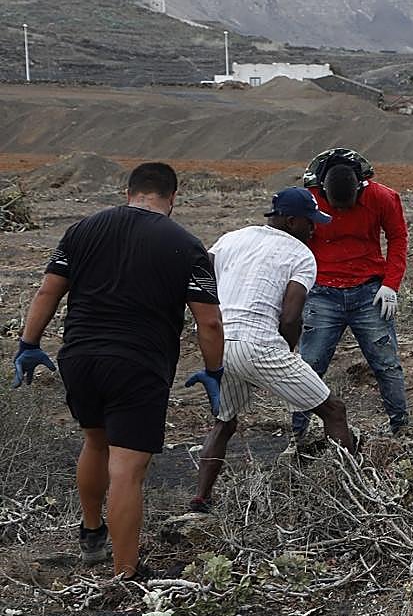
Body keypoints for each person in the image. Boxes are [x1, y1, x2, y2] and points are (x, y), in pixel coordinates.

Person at [12, 163, 224, 578]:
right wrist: (213, 371)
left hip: (79, 358)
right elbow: (210, 322)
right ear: (173, 198)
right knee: (127, 467)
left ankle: (92, 533)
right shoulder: (186, 244)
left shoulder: (82, 229)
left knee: (95, 441)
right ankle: (125, 574)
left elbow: (47, 289)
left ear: (128, 192)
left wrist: (28, 344)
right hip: (137, 364)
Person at [190, 187, 357, 513]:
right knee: (334, 411)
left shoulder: (232, 238)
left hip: (219, 343)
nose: (314, 229)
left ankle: (200, 499)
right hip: (259, 344)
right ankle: (352, 495)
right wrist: (282, 354)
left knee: (224, 422)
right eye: (311, 222)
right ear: (293, 221)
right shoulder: (300, 255)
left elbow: (202, 273)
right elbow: (291, 315)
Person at [289, 148, 410, 443]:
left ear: (361, 187)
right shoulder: (308, 200)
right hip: (322, 292)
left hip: (369, 292)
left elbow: (398, 238)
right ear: (322, 191)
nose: (342, 212)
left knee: (386, 363)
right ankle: (298, 435)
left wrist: (390, 285)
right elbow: (290, 244)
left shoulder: (383, 198)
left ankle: (402, 429)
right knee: (309, 366)